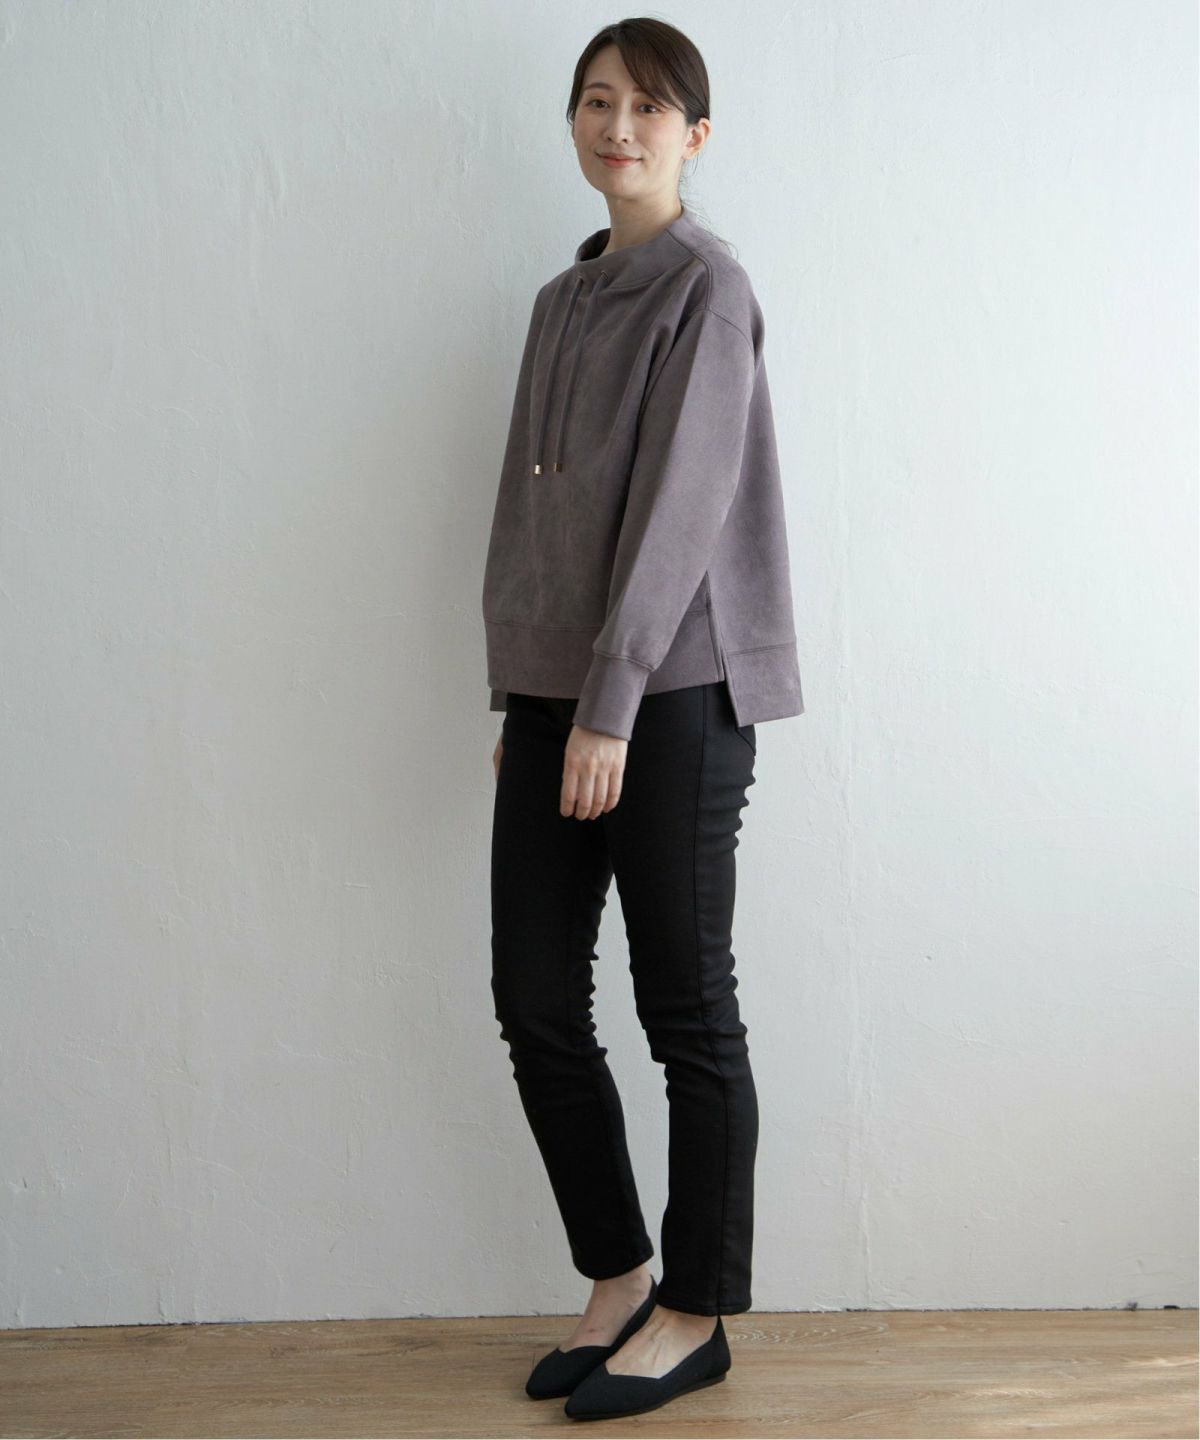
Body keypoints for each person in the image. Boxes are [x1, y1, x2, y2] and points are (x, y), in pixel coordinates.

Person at [480, 17, 804, 1423]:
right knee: (536, 1000)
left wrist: (606, 704)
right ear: (573, 122)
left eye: (652, 107)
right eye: (598, 102)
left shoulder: (707, 290)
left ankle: (698, 1310)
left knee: (686, 1009)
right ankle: (618, 1278)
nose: (622, 127)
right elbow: (531, 515)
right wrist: (529, 693)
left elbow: (678, 518)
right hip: (565, 696)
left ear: (695, 136)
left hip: (674, 695)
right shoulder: (560, 301)